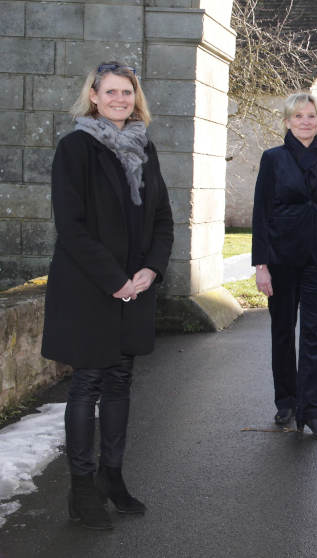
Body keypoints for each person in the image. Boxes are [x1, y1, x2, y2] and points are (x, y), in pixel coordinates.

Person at [41, 62, 174, 530]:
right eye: (111, 92)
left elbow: (162, 220)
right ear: (93, 97)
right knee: (88, 383)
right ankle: (81, 490)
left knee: (120, 381)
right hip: (90, 288)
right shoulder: (75, 148)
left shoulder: (145, 149)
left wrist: (150, 270)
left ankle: (110, 478)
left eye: (128, 92)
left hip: (135, 288)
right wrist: (114, 278)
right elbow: (72, 228)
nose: (120, 99)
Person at [252, 92, 317, 438]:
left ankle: (313, 412)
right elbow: (260, 214)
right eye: (299, 116)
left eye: (311, 116)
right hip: (281, 259)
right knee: (283, 331)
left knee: (315, 335)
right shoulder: (273, 159)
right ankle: (287, 403)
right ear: (288, 121)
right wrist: (261, 264)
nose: (306, 121)